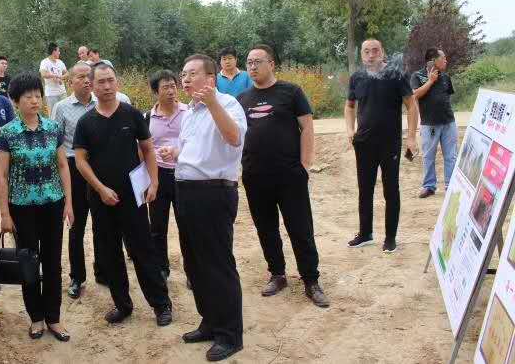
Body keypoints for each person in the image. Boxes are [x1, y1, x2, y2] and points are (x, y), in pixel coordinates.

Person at [158, 54, 247, 362]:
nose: (184, 79)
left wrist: (212, 104)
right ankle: (210, 322)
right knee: (195, 263)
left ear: (210, 78)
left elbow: (233, 138)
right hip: (186, 191)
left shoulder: (228, 104)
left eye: (191, 73)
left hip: (214, 193)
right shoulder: (191, 112)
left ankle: (230, 335)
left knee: (217, 264)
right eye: (183, 73)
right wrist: (175, 152)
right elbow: (195, 149)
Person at [73, 63, 173, 328]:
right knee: (110, 252)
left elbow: (148, 149)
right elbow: (81, 161)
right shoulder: (86, 122)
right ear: (92, 86)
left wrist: (154, 182)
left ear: (116, 82)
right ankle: (122, 304)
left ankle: (161, 304)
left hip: (132, 195)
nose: (107, 86)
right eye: (101, 82)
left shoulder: (131, 114)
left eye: (110, 80)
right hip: (101, 198)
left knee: (143, 248)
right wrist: (100, 188)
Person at [237, 45, 329, 308]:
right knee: (266, 228)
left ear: (271, 64)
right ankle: (277, 274)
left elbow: (307, 127)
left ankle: (311, 280)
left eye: (258, 61)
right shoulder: (242, 99)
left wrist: (305, 165)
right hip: (255, 176)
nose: (252, 66)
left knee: (300, 228)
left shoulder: (291, 92)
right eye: (249, 62)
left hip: (290, 175)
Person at [0, 73, 74, 341]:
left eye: (38, 95)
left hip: (52, 204)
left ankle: (54, 318)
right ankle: (36, 318)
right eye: (28, 96)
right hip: (22, 208)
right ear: (15, 101)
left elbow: (62, 166)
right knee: (29, 263)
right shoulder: (8, 133)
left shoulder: (52, 128)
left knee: (52, 263)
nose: (34, 100)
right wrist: (5, 214)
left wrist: (69, 203)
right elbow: (1, 176)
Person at [345, 39, 419, 253]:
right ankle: (365, 233)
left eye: (375, 51)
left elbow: (411, 106)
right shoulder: (357, 77)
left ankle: (390, 237)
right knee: (365, 190)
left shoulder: (396, 75)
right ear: (361, 55)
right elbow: (349, 106)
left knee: (391, 190)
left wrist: (411, 137)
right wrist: (350, 129)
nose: (371, 55)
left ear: (382, 52)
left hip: (390, 143)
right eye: (366, 51)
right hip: (364, 143)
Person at [51, 62, 107, 299]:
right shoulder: (62, 107)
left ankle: (103, 271)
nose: (86, 81)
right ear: (70, 81)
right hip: (73, 169)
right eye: (80, 77)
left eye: (88, 77)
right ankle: (77, 276)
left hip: (99, 167)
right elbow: (55, 142)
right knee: (76, 225)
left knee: (102, 223)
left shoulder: (101, 104)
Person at [145, 70, 188, 281]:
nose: (171, 91)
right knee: (157, 226)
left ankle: (192, 270)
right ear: (156, 92)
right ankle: (161, 268)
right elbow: (144, 149)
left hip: (184, 174)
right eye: (165, 87)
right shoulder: (147, 117)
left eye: (173, 86)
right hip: (158, 176)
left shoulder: (189, 112)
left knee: (187, 225)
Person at [411, 48, 458, 198]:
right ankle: (429, 186)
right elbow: (414, 95)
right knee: (429, 156)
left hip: (448, 122)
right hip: (430, 124)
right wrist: (430, 81)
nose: (446, 61)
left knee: (451, 155)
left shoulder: (446, 77)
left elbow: (447, 97)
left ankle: (450, 185)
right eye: (443, 58)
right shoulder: (417, 76)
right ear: (433, 60)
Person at [39, 42, 68, 116]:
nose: (59, 53)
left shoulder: (60, 62)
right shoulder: (44, 62)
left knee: (65, 113)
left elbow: (67, 73)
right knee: (53, 114)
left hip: (62, 92)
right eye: (58, 51)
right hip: (51, 94)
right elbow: (43, 74)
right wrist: (54, 76)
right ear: (54, 51)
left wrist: (61, 77)